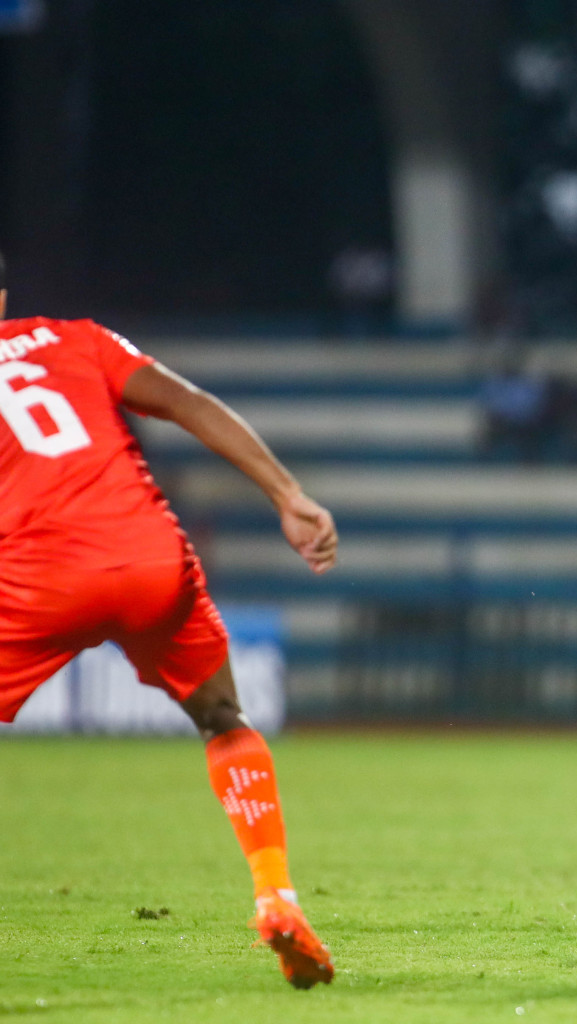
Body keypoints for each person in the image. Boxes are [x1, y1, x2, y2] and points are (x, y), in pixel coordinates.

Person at [0, 250, 339, 987]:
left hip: (38, 576)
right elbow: (189, 402)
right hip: (147, 554)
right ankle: (276, 894)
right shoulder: (74, 339)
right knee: (222, 715)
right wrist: (288, 495)